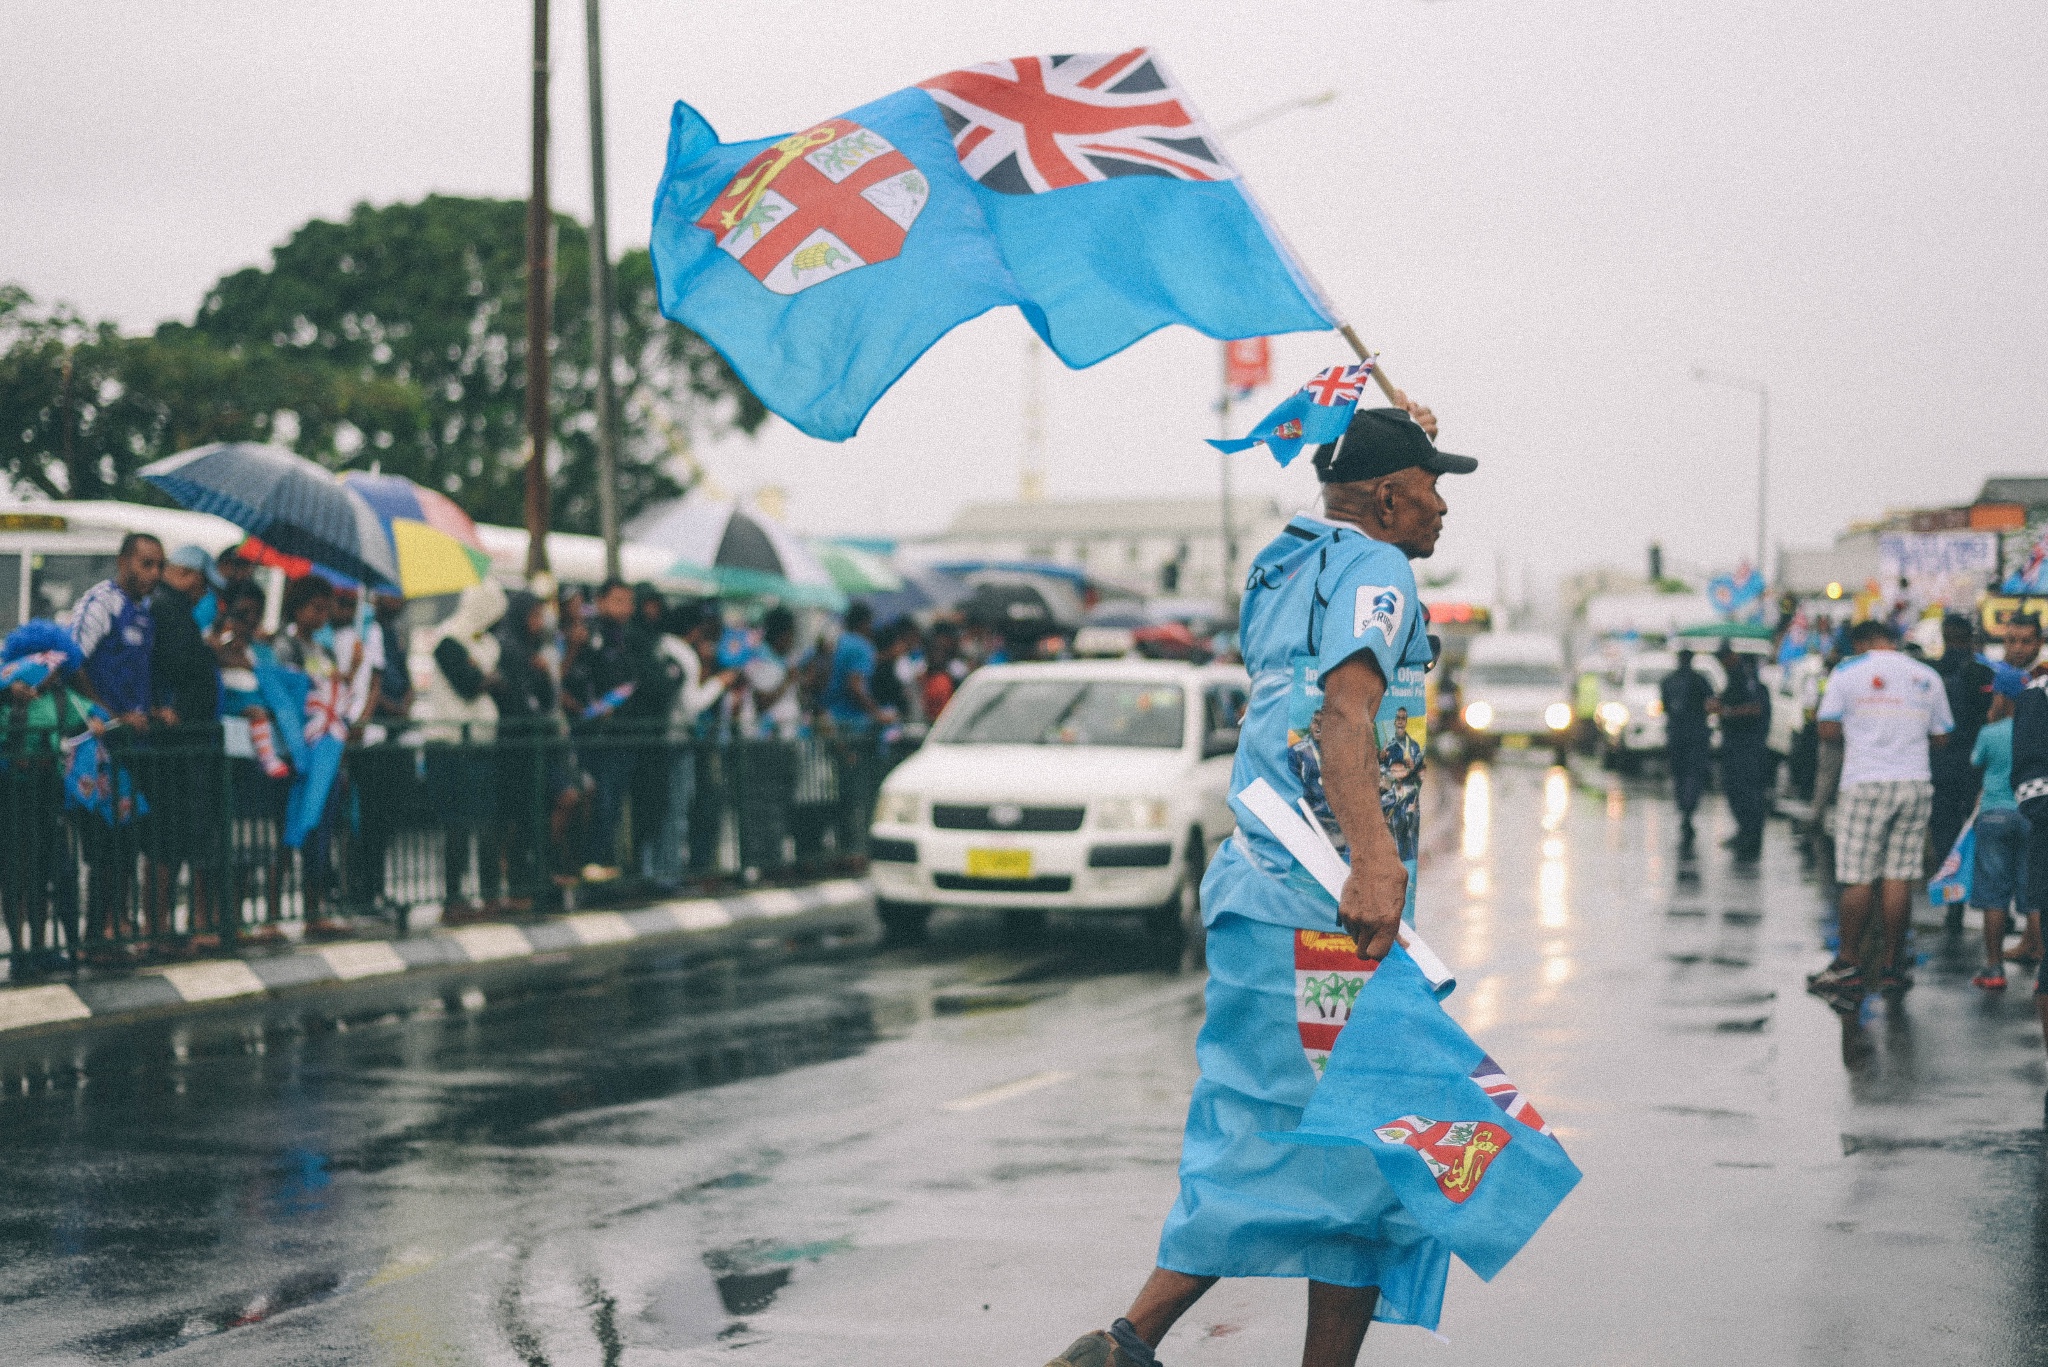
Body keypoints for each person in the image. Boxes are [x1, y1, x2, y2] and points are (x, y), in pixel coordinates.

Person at [1045, 397, 1473, 1367]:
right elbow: (1343, 715)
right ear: (1383, 496)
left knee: (1322, 1136)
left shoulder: (1284, 561)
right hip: (1323, 908)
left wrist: (1387, 427)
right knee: (1369, 1141)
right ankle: (1122, 1342)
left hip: (1259, 888)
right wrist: (1372, 861)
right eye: (1430, 485)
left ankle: (1128, 1345)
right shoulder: (1375, 567)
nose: (1442, 505)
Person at [1806, 619, 1954, 1005]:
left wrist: (1865, 727)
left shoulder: (1847, 671)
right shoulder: (1926, 675)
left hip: (1865, 782)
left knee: (1857, 877)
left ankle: (1848, 963)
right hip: (1914, 782)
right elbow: (1942, 736)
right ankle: (1892, 965)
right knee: (1899, 877)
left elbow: (1825, 729)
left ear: (1862, 641)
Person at [649, 602, 738, 890]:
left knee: (663, 809)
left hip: (658, 740)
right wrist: (719, 683)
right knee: (675, 810)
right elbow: (692, 705)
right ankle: (668, 876)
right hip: (677, 741)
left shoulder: (660, 645)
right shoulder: (683, 653)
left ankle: (659, 871)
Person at [1968, 665, 2031, 990]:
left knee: (1994, 895)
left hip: (1994, 815)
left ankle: (1994, 969)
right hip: (2031, 815)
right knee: (2034, 893)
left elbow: (1976, 761)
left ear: (2002, 696)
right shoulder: (2038, 729)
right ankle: (2041, 966)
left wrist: (1992, 722)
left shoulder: (1990, 732)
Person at [1929, 613, 1995, 897]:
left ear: (1945, 636)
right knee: (1981, 831)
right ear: (1969, 639)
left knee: (1946, 833)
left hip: (1942, 764)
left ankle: (1952, 896)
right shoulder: (1984, 673)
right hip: (1976, 764)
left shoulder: (1934, 673)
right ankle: (1991, 899)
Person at [1709, 644, 1771, 862]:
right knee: (1735, 789)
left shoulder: (1747, 678)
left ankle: (1751, 835)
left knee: (1748, 791)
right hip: (1736, 745)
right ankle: (1745, 831)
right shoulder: (1735, 677)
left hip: (1747, 746)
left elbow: (1754, 708)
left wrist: (1726, 711)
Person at [1660, 648, 1716, 850]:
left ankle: (1685, 809)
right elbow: (1711, 703)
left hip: (1677, 735)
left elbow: (1665, 706)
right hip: (1695, 735)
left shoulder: (1668, 681)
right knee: (1692, 773)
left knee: (1680, 774)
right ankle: (1688, 809)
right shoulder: (1700, 681)